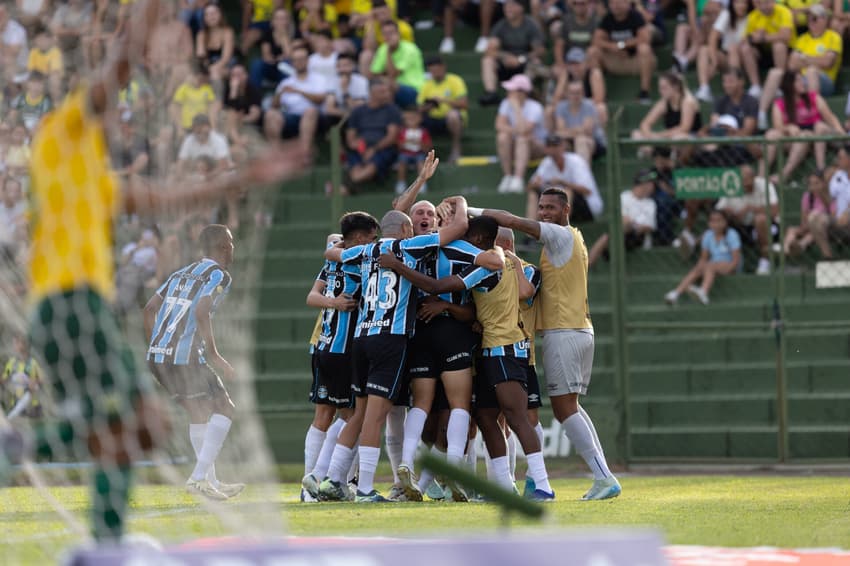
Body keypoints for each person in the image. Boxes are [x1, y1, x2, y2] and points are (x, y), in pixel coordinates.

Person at [0, 0, 311, 542]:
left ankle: (105, 539)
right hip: (70, 304)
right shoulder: (62, 133)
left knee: (129, 429)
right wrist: (147, 16)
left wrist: (244, 175)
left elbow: (159, 195)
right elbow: (115, 70)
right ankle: (20, 453)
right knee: (138, 421)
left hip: (72, 307)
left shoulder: (85, 169)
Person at [379, 217, 555, 500]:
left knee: (516, 417)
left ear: (479, 242)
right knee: (486, 419)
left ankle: (544, 485)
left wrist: (399, 266)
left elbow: (439, 286)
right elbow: (513, 294)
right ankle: (502, 486)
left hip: (504, 347)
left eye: (467, 241)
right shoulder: (506, 261)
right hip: (488, 349)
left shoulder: (484, 268)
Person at [470, 188, 621, 500]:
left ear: (566, 209)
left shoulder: (559, 235)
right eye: (541, 207)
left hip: (563, 330)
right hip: (577, 328)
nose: (544, 213)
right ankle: (601, 475)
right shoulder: (574, 238)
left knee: (565, 410)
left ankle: (603, 477)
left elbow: (511, 220)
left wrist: (468, 210)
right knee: (570, 407)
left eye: (551, 207)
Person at [318, 197, 472, 502]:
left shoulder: (361, 252)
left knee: (359, 415)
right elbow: (460, 227)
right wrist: (462, 203)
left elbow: (339, 265)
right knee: (375, 417)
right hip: (391, 338)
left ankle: (332, 480)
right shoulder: (408, 247)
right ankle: (364, 490)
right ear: (405, 228)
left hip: (361, 338)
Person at [144, 225, 245, 501]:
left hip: (157, 357)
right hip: (185, 356)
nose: (233, 247)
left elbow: (149, 309)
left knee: (199, 414)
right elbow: (202, 311)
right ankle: (198, 478)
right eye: (232, 241)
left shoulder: (179, 273)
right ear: (224, 245)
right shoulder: (220, 275)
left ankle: (209, 480)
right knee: (225, 408)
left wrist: (157, 343)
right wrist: (215, 355)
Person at [301, 212, 380, 502]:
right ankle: (324, 479)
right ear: (359, 239)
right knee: (354, 417)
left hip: (323, 348)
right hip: (345, 351)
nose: (375, 242)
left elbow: (312, 297)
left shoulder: (331, 263)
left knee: (326, 416)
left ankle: (314, 485)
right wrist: (336, 302)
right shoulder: (358, 263)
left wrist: (330, 302)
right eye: (372, 238)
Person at [764, 70, 843, 181]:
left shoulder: (813, 97)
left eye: (803, 80)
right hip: (795, 140)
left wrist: (841, 132)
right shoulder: (780, 103)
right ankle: (761, 176)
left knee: (817, 127)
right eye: (798, 80)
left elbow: (830, 117)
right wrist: (788, 128)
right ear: (789, 84)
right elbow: (777, 126)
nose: (803, 83)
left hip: (816, 138)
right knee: (771, 134)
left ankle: (819, 169)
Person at [664, 209, 742, 305]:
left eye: (719, 220)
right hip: (713, 266)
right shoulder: (708, 235)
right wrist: (699, 269)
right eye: (712, 221)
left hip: (730, 266)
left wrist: (730, 269)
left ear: (725, 222)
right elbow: (703, 258)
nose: (716, 224)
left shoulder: (732, 234)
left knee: (710, 266)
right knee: (699, 267)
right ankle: (676, 293)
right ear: (709, 223)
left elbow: (736, 260)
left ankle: (703, 292)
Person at [587, 0, 656, 104]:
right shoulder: (608, 18)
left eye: (619, 2)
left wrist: (622, 45)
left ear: (628, 3)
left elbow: (645, 38)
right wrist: (612, 47)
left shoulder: (635, 16)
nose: (615, 6)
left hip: (635, 61)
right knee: (592, 51)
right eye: (612, 3)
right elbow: (596, 40)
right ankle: (600, 94)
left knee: (644, 49)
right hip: (616, 60)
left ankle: (644, 92)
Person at [478, 0, 546, 106]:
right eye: (506, 5)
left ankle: (526, 92)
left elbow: (539, 51)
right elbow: (490, 50)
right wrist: (505, 56)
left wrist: (520, 59)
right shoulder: (500, 25)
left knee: (535, 62)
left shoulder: (531, 24)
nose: (507, 8)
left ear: (521, 8)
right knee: (487, 60)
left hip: (524, 64)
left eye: (512, 5)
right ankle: (491, 93)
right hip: (506, 64)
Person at [587, 169, 658, 268]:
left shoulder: (650, 203)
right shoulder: (624, 197)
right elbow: (621, 220)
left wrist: (632, 225)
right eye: (651, 183)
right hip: (623, 234)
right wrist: (631, 223)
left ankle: (590, 259)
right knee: (622, 227)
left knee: (611, 234)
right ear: (644, 184)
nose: (653, 186)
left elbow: (648, 227)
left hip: (638, 237)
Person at [715, 165, 777, 275]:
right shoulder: (732, 186)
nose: (744, 185)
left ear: (754, 178)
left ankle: (765, 260)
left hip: (767, 227)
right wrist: (729, 213)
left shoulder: (764, 185)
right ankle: (725, 260)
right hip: (741, 225)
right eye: (742, 181)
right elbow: (719, 209)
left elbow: (775, 210)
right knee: (720, 220)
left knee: (760, 219)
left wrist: (750, 208)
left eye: (747, 181)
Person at [525, 135, 602, 225]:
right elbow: (529, 187)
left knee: (566, 192)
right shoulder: (546, 163)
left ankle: (561, 231)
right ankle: (530, 234)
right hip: (558, 207)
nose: (553, 150)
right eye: (550, 146)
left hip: (588, 208)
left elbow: (587, 191)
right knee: (533, 195)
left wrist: (562, 182)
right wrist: (535, 184)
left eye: (555, 146)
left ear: (562, 147)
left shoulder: (576, 161)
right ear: (546, 149)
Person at [264, 45, 328, 151]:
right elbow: (274, 106)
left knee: (310, 111)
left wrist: (299, 91)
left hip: (317, 118)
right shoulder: (286, 82)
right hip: (291, 117)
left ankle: (304, 152)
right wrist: (279, 94)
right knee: (271, 114)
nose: (299, 62)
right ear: (292, 63)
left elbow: (320, 99)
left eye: (302, 59)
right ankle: (276, 154)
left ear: (308, 61)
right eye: (296, 60)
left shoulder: (319, 79)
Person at [344, 78, 402, 188]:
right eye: (382, 92)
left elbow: (392, 137)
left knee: (371, 168)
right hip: (360, 149)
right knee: (356, 168)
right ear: (372, 93)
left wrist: (374, 149)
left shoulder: (392, 110)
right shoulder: (358, 111)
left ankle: (345, 187)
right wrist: (361, 149)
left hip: (383, 149)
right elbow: (350, 138)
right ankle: (347, 187)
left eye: (387, 91)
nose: (387, 95)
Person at [495, 74, 546, 194]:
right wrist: (515, 130)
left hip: (536, 148)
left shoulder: (536, 107)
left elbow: (524, 130)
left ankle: (518, 179)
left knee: (523, 139)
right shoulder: (506, 103)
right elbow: (499, 125)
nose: (508, 92)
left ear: (522, 92)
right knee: (502, 137)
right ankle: (507, 177)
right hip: (515, 146)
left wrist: (517, 108)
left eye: (512, 90)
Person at [695, 0, 751, 102]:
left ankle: (736, 88)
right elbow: (713, 38)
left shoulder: (753, 15)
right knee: (704, 50)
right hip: (727, 56)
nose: (741, 6)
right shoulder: (727, 14)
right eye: (737, 2)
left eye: (744, 3)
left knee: (733, 49)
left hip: (746, 57)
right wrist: (714, 61)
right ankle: (704, 88)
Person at [631, 71, 703, 149]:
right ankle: (656, 152)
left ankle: (666, 155)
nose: (660, 91)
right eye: (660, 88)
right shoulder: (664, 103)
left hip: (691, 139)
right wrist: (650, 136)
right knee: (636, 134)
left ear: (675, 87)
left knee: (679, 138)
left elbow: (684, 128)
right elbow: (645, 123)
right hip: (668, 139)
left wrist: (660, 136)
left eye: (664, 88)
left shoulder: (687, 101)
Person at [418, 55, 468, 164]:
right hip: (433, 118)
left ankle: (456, 148)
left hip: (450, 119)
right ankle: (421, 154)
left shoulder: (455, 80)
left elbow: (464, 104)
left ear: (443, 67)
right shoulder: (427, 84)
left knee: (453, 115)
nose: (435, 73)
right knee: (415, 118)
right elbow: (419, 107)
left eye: (437, 69)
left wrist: (443, 100)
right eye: (432, 71)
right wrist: (430, 106)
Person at [739, 0, 794, 98]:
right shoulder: (753, 16)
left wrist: (764, 38)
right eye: (761, 3)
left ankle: (779, 85)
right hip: (763, 52)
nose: (765, 6)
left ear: (773, 2)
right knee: (745, 49)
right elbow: (745, 40)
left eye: (767, 2)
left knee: (778, 45)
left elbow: (786, 35)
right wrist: (753, 37)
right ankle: (755, 86)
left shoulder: (784, 12)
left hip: (785, 52)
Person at [369, 20, 425, 108]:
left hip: (414, 90)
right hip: (392, 87)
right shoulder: (382, 49)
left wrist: (388, 52)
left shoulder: (410, 49)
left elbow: (393, 74)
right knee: (377, 85)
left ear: (398, 34)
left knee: (388, 84)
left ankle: (390, 113)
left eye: (391, 33)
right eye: (385, 34)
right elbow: (374, 74)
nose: (388, 36)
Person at [552, 78, 606, 163]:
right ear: (566, 94)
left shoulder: (589, 105)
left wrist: (568, 132)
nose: (575, 96)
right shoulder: (561, 107)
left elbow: (587, 131)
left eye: (578, 92)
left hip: (593, 143)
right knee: (559, 145)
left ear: (583, 93)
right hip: (570, 142)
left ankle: (582, 175)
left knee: (581, 141)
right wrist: (578, 131)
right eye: (572, 93)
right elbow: (560, 131)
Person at [785, 171, 835, 258]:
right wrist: (804, 227)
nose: (813, 187)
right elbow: (804, 220)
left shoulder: (830, 195)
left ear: (824, 183)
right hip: (809, 225)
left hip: (826, 226)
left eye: (817, 183)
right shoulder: (808, 196)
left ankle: (801, 245)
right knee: (791, 230)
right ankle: (786, 249)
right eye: (811, 184)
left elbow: (834, 215)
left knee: (814, 224)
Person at [1, 334, 43, 421]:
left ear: (24, 345)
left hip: (32, 407)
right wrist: (7, 379)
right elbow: (3, 378)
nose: (14, 346)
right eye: (14, 343)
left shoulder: (32, 363)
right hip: (15, 405)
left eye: (16, 343)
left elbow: (41, 380)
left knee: (33, 387)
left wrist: (33, 381)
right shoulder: (11, 362)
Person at [395, 107, 433, 195]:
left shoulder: (423, 132)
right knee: (402, 162)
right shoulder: (403, 132)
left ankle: (421, 183)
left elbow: (427, 146)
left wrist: (420, 143)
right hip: (405, 153)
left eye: (414, 118)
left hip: (419, 153)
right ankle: (401, 182)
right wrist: (405, 142)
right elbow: (399, 145)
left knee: (421, 163)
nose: (411, 121)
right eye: (409, 119)